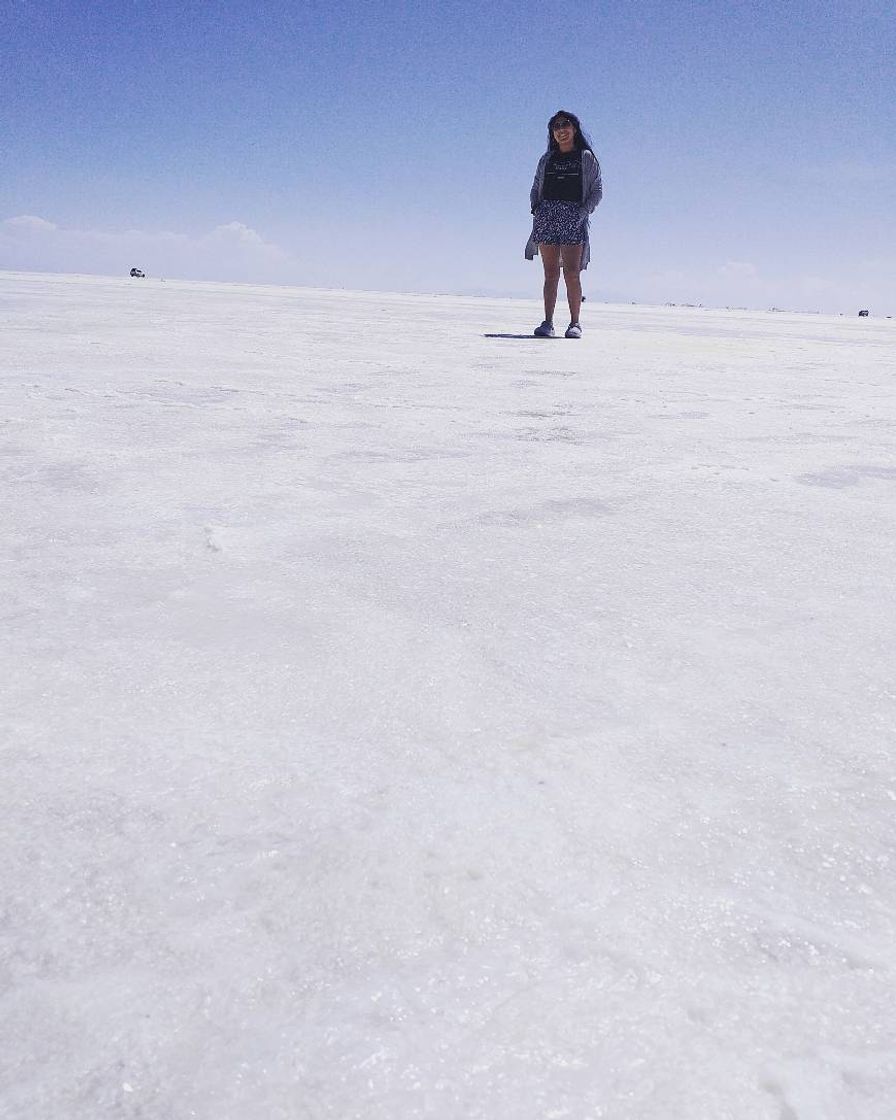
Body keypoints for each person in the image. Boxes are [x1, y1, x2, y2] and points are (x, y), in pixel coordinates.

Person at [525, 111, 602, 338]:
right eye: (556, 126)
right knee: (550, 274)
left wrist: (583, 211)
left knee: (571, 273)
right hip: (547, 215)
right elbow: (535, 186)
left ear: (574, 129)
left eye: (565, 124)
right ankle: (547, 323)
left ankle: (575, 323)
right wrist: (537, 209)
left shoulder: (585, 157)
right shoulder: (546, 159)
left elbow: (597, 190)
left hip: (573, 216)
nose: (561, 129)